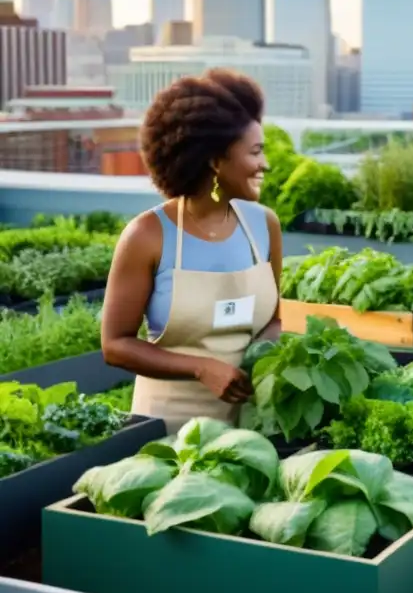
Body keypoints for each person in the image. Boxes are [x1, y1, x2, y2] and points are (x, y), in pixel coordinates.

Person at [101, 69, 282, 433]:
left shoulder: (264, 225)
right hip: (166, 432)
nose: (264, 164)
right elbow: (115, 344)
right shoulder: (147, 236)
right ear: (216, 161)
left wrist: (261, 360)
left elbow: (274, 319)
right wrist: (202, 368)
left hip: (250, 430)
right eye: (255, 152)